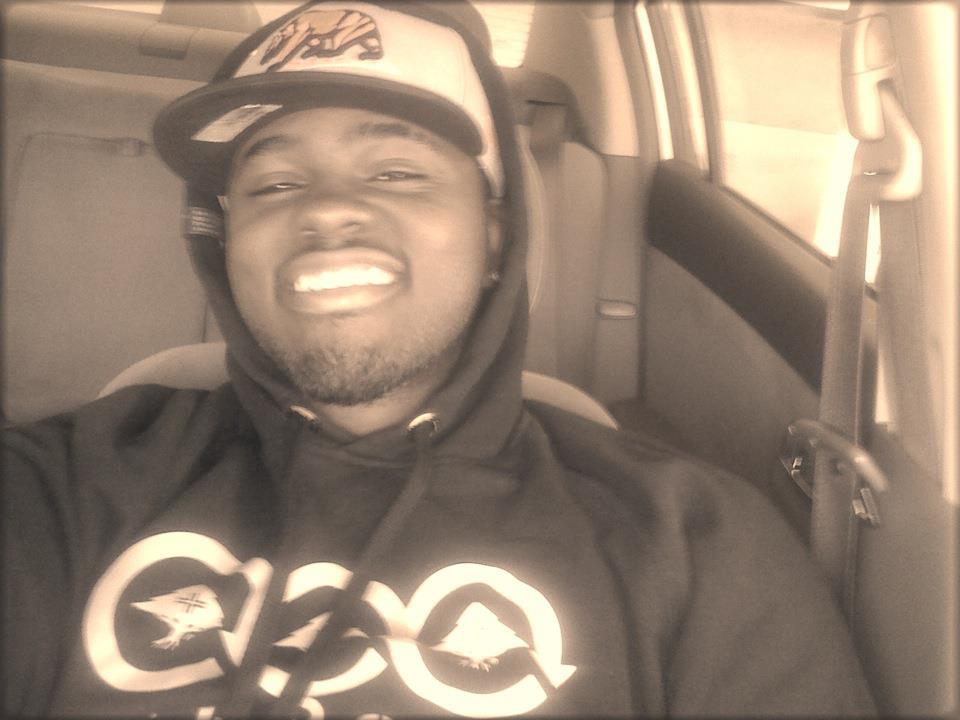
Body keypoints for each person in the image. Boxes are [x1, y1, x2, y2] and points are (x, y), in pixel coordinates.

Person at [3, 1, 876, 717]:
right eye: (274, 183)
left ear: (497, 234)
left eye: (396, 172)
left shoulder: (694, 547)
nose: (326, 210)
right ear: (221, 243)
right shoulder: (72, 485)